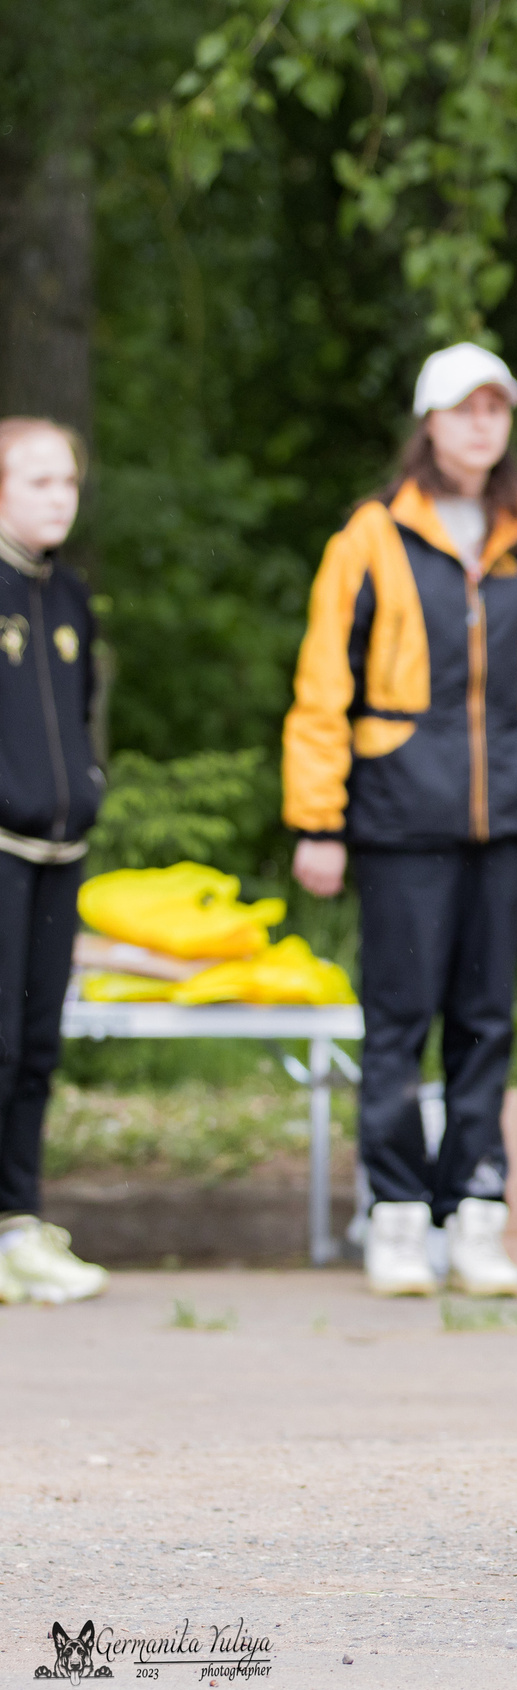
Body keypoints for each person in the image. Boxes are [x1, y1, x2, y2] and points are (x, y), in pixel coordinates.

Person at [283, 343, 517, 1301]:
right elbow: (322, 684)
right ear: (429, 421)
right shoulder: (369, 537)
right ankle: (396, 1216)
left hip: (506, 821)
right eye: (464, 409)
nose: (481, 425)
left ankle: (476, 1214)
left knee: (485, 1022)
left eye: (497, 410)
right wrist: (317, 821)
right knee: (397, 1021)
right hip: (395, 820)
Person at [0, 417, 110, 1305]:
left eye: (67, 482)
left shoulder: (69, 600)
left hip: (58, 852)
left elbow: (78, 715)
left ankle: (19, 1222)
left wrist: (89, 781)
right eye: (37, 481)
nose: (57, 498)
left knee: (38, 1047)